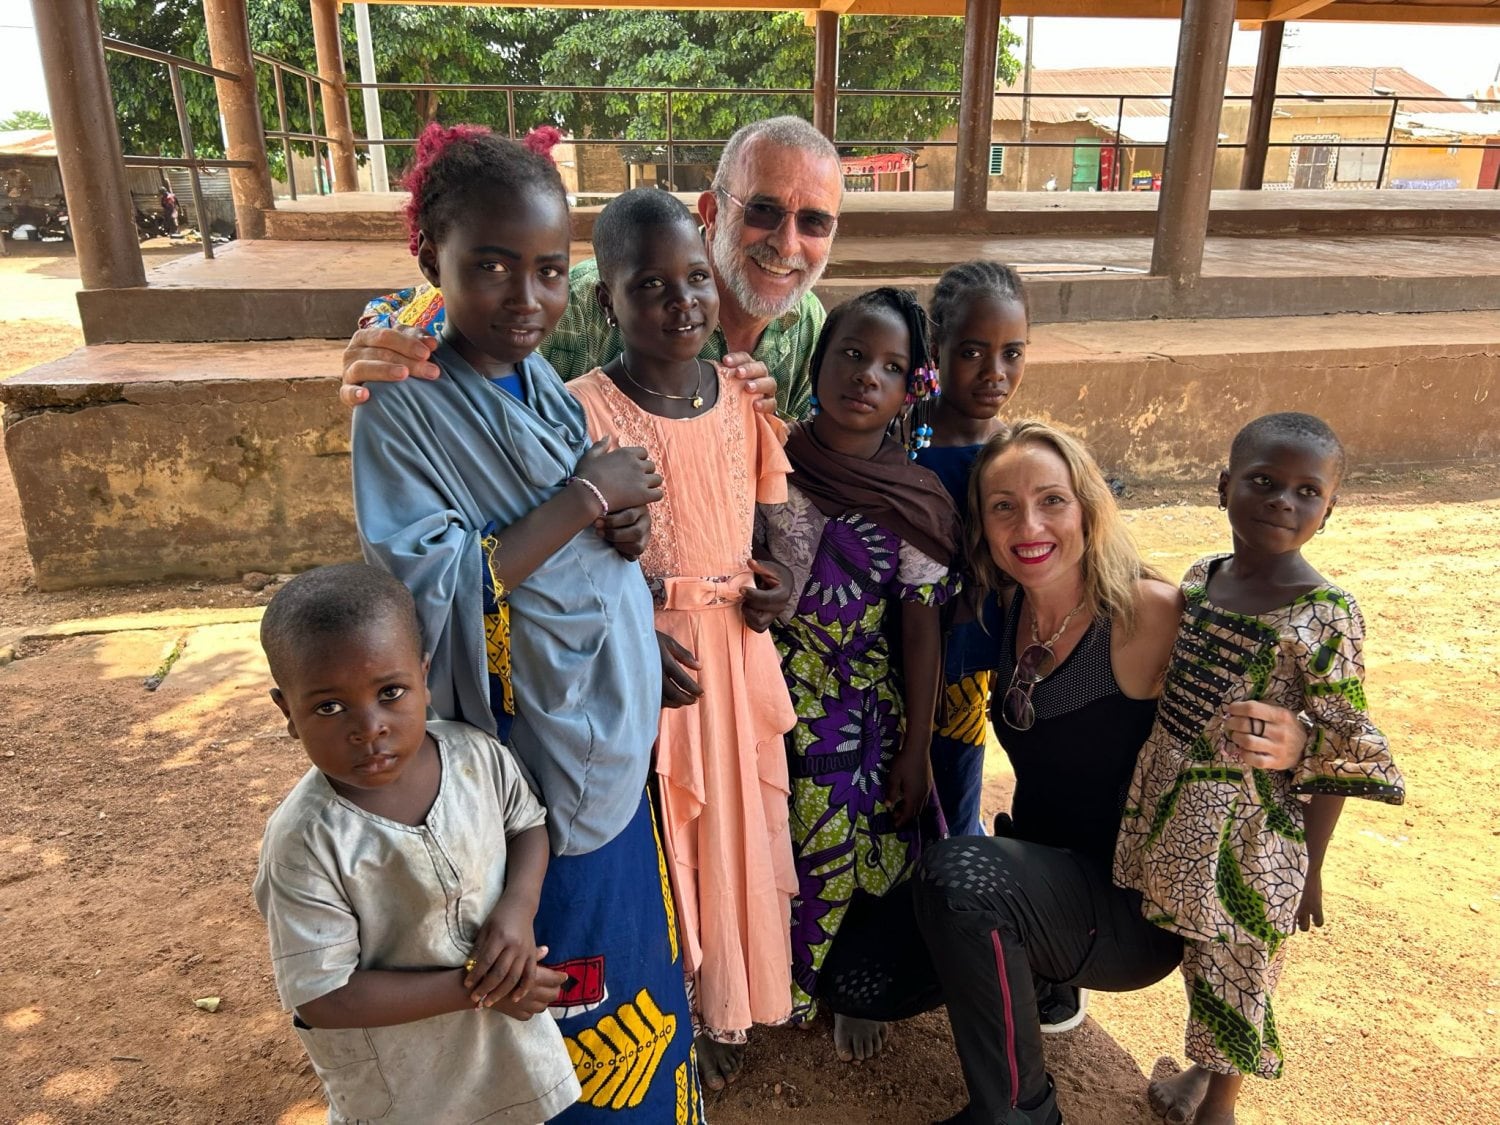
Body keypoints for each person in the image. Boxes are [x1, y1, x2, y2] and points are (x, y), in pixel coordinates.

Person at [804, 421, 1309, 1125]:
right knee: (853, 976)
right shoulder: (1005, 606)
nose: (1029, 523)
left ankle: (1018, 1109)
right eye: (1003, 505)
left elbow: (1268, 713)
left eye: (1052, 500)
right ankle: (1034, 977)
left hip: (1126, 911)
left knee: (959, 876)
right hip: (1043, 882)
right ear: (982, 524)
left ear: (1088, 509)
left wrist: (1296, 739)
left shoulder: (1146, 615)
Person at [350, 122, 701, 1122]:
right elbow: (428, 594)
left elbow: (567, 540)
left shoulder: (539, 375)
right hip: (524, 749)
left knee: (630, 961)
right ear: (432, 264)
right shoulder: (402, 400)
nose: (527, 297)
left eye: (550, 270)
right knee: (558, 974)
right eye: (491, 266)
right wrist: (584, 503)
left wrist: (621, 549)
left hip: (604, 728)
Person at [566, 187, 800, 1091]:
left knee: (738, 822)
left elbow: (772, 530)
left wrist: (779, 588)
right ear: (607, 301)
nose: (683, 301)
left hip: (736, 652)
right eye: (651, 284)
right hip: (650, 659)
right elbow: (571, 560)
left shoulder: (741, 393)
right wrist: (628, 627)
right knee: (667, 834)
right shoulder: (582, 412)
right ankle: (675, 1006)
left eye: (696, 277)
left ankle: (732, 1000)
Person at [1114, 412, 1405, 1125]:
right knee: (1200, 956)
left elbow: (1337, 744)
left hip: (1255, 835)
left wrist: (1310, 863)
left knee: (1241, 966)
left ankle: (1222, 1103)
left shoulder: (1328, 614)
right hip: (1177, 807)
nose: (1283, 500)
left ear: (1328, 513)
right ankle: (1202, 1069)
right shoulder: (1203, 578)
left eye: (1308, 492)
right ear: (1223, 487)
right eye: (1265, 482)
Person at [252, 563, 580, 1124]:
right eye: (329, 707)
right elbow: (323, 996)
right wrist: (481, 989)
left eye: (390, 692)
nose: (368, 727)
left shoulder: (476, 756)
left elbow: (527, 824)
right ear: (288, 711)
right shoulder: (305, 841)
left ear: (424, 678)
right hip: (405, 1086)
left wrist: (517, 909)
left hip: (502, 1054)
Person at [758, 287, 959, 1063]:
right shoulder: (770, 458)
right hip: (766, 682)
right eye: (851, 353)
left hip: (857, 696)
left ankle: (846, 984)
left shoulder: (912, 495)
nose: (866, 376)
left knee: (854, 839)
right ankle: (763, 980)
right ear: (818, 359)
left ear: (911, 389)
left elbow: (920, 620)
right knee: (764, 833)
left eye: (891, 366)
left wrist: (913, 746)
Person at [339, 115, 844, 420]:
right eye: (764, 211)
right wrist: (386, 341)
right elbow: (428, 312)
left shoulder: (809, 325)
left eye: (815, 222)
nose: (787, 243)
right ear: (711, 213)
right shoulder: (583, 303)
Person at [914, 261, 1030, 839]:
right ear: (936, 348)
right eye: (973, 352)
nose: (995, 373)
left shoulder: (1014, 457)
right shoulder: (901, 439)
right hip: (889, 655)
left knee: (954, 789)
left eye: (1013, 353)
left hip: (972, 664)